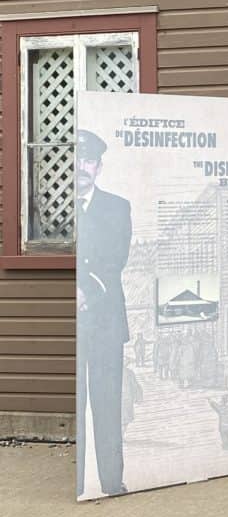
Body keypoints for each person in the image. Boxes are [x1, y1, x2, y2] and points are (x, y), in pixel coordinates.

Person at [75, 129, 132, 496]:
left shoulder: (117, 206)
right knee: (76, 403)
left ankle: (112, 483)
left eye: (89, 161)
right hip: (72, 321)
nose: (82, 167)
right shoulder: (45, 205)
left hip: (106, 319)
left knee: (107, 403)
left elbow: (115, 260)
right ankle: (78, 484)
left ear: (99, 166)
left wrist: (84, 290)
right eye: (77, 160)